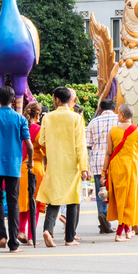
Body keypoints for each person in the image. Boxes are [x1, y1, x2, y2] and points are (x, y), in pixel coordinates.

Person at [0, 86, 32, 253]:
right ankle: (13, 242)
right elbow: (29, 145)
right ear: (12, 100)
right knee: (13, 201)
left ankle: (2, 235)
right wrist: (30, 160)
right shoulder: (20, 119)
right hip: (13, 164)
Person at [37, 87, 89, 247]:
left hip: (54, 163)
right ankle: (69, 238)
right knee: (73, 199)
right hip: (71, 163)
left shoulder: (47, 118)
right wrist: (83, 167)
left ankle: (47, 229)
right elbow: (81, 145)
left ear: (57, 100)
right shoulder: (76, 118)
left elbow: (41, 141)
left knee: (54, 198)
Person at [105, 103, 138, 242]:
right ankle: (119, 233)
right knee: (130, 199)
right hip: (132, 167)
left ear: (122, 114)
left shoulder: (112, 131)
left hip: (116, 167)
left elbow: (109, 153)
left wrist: (104, 172)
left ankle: (127, 230)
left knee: (120, 198)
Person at [85, 99, 117, 235]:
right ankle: (122, 222)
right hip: (115, 161)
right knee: (117, 192)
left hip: (98, 163)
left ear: (101, 109)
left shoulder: (93, 122)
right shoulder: (119, 120)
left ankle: (103, 216)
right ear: (114, 109)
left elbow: (87, 145)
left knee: (101, 193)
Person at [18, 102, 45, 243]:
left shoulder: (20, 127)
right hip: (35, 168)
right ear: (38, 115)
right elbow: (45, 148)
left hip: (21, 168)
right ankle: (31, 237)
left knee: (23, 202)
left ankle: (21, 231)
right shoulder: (38, 130)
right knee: (33, 203)